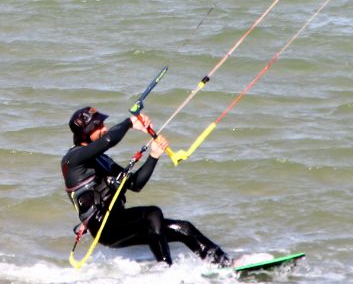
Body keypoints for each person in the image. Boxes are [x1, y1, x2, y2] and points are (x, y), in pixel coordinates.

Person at [61, 105, 230, 267]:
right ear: (84, 133)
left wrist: (154, 155)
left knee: (184, 229)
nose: (104, 128)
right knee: (152, 214)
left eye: (103, 124)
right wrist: (130, 122)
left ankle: (224, 264)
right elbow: (109, 139)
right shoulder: (72, 160)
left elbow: (135, 184)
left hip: (120, 221)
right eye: (98, 126)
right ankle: (166, 269)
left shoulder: (102, 160)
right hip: (104, 228)